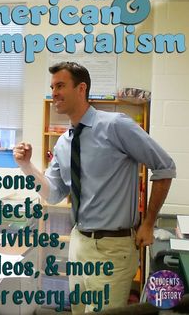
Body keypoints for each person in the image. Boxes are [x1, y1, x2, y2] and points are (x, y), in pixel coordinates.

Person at [13, 61, 176, 314]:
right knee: (78, 310)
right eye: (52, 87)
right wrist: (26, 166)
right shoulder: (64, 143)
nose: (54, 93)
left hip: (114, 247)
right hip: (79, 243)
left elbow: (164, 167)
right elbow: (53, 193)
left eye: (60, 85)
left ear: (81, 89)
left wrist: (149, 222)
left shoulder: (115, 125)